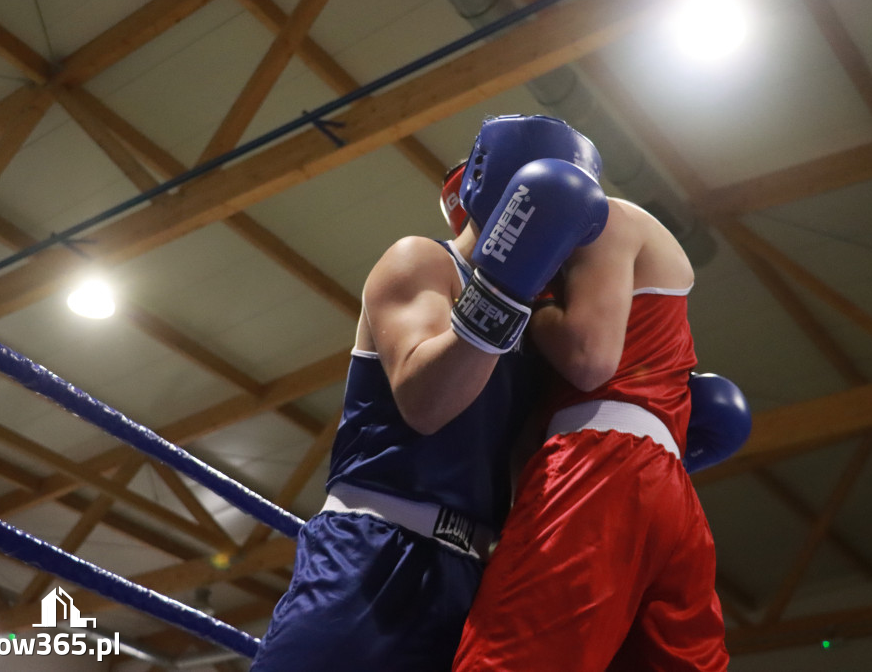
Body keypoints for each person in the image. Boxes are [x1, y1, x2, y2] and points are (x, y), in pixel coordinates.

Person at [250, 115, 610, 672]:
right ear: (493, 182)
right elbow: (426, 404)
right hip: (370, 553)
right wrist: (505, 285)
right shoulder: (421, 261)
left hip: (470, 580)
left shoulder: (538, 330)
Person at [452, 189, 750, 670]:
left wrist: (537, 300)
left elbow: (589, 362)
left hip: (597, 464)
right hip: (668, 490)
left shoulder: (603, 218)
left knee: (510, 660)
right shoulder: (628, 251)